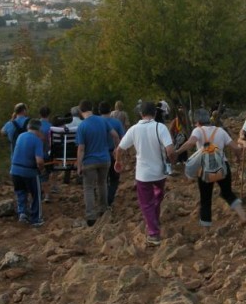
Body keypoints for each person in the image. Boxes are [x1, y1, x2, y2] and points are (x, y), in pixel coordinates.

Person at [114, 101, 175, 246]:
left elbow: (120, 149)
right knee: (158, 196)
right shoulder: (160, 127)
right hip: (159, 171)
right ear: (155, 113)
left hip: (143, 174)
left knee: (146, 203)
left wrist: (118, 162)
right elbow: (170, 150)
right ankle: (155, 221)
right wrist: (172, 162)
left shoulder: (134, 129)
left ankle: (153, 233)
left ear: (141, 114)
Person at [177, 109, 246, 226]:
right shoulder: (220, 131)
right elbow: (235, 148)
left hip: (205, 170)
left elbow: (190, 143)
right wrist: (238, 158)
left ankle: (206, 229)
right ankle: (242, 215)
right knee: (227, 193)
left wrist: (178, 151)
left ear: (197, 121)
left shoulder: (198, 131)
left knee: (205, 199)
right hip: (222, 167)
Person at [75, 99, 120, 226]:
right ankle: (103, 209)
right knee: (102, 184)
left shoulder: (82, 126)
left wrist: (79, 165)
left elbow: (81, 148)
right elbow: (115, 135)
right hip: (105, 159)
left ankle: (90, 216)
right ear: (92, 108)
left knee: (89, 187)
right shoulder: (102, 121)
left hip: (89, 161)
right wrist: (116, 150)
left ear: (80, 111)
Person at [9, 118, 45, 227]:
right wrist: (41, 169)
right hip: (28, 171)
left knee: (21, 192)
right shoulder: (36, 140)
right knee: (36, 195)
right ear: (39, 130)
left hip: (14, 170)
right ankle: (36, 219)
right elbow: (39, 160)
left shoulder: (21, 136)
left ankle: (22, 214)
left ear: (28, 127)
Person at [98, 101, 125, 206]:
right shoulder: (116, 123)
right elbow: (122, 138)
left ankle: (102, 200)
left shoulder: (96, 123)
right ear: (110, 110)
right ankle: (109, 199)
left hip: (99, 154)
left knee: (101, 180)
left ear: (99, 111)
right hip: (113, 153)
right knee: (114, 178)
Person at [37, 106, 55, 202]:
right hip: (48, 156)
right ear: (49, 115)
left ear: (39, 114)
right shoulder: (51, 127)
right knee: (45, 175)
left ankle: (39, 191)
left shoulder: (36, 126)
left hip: (37, 155)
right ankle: (47, 194)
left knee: (39, 174)